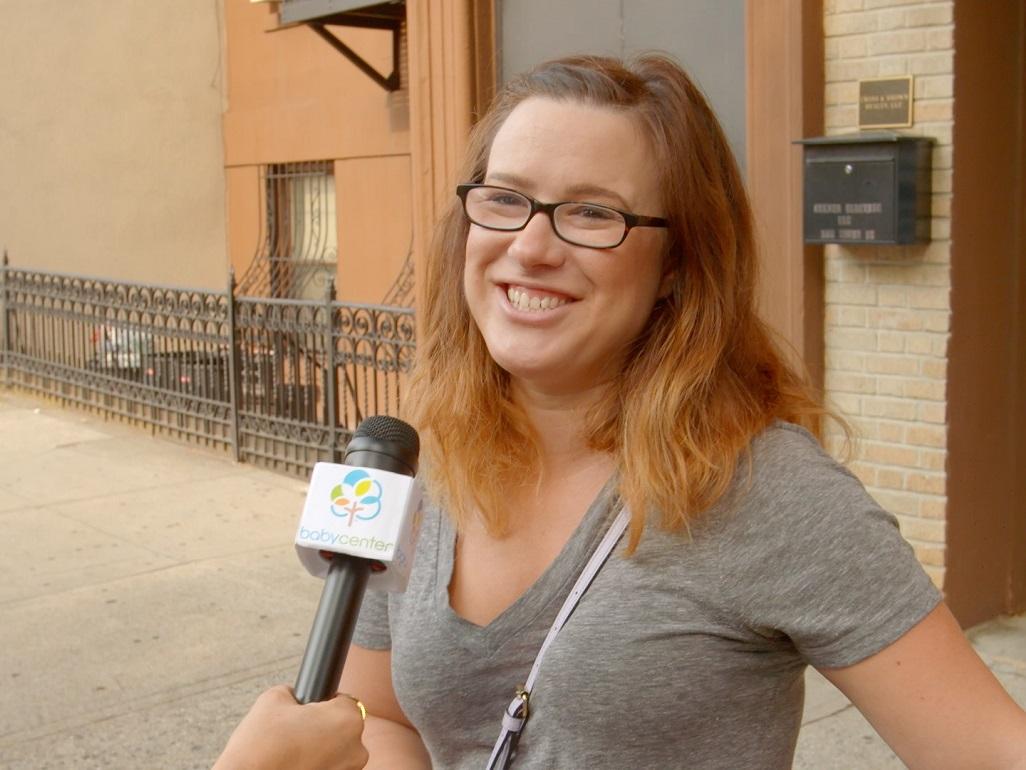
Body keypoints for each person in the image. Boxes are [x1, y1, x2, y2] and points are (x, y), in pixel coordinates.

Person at [221, 53, 1026, 769]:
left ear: (678, 263)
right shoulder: (424, 463)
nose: (532, 247)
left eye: (592, 213)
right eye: (505, 199)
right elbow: (382, 717)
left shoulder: (763, 487)